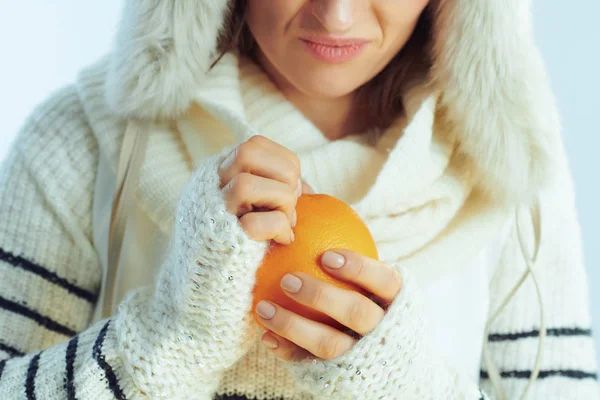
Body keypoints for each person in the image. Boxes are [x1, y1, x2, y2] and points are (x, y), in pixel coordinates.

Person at [0, 0, 597, 399]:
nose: (336, 16)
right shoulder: (83, 141)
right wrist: (172, 337)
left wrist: (401, 383)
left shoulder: (510, 178)